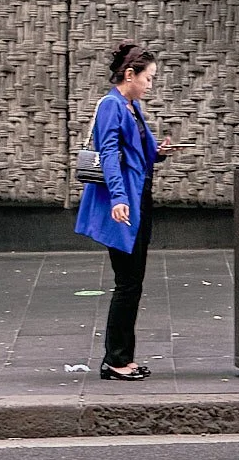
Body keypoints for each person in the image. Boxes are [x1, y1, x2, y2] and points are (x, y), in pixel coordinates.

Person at [74, 42, 174, 381]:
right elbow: (110, 156)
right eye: (148, 78)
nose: (150, 85)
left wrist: (157, 152)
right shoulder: (112, 106)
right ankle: (115, 359)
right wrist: (118, 199)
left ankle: (122, 356)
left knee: (132, 282)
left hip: (137, 197)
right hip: (124, 202)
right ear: (129, 75)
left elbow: (136, 155)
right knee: (127, 282)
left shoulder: (131, 107)